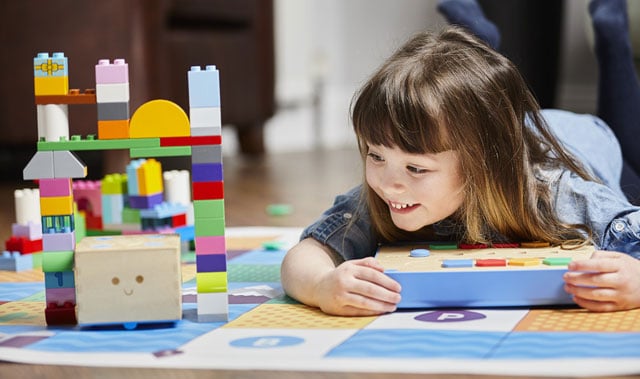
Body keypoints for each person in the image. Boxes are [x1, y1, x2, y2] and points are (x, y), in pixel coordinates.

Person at [280, 0, 640, 316]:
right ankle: (479, 46)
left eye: (416, 167)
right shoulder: (383, 196)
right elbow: (305, 254)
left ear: (482, 167)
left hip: (580, 139)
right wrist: (323, 285)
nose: (388, 183)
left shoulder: (557, 197)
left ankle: (612, 45)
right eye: (376, 155)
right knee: (471, 109)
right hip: (500, 131)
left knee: (630, 143)